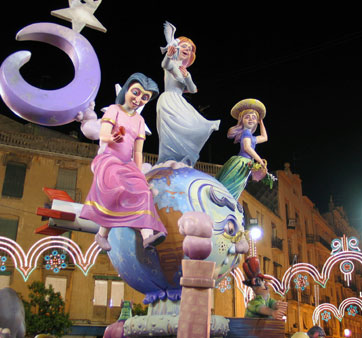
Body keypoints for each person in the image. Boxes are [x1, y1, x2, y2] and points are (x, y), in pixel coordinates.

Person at [80, 73, 167, 251]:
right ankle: (102, 234)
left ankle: (147, 238)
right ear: (127, 89)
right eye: (136, 92)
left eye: (144, 97)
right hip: (108, 159)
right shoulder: (114, 110)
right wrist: (112, 137)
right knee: (118, 190)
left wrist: (139, 175)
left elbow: (137, 151)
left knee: (143, 192)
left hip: (127, 164)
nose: (138, 99)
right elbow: (103, 134)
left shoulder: (140, 121)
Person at [156, 33, 220, 166]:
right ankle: (167, 158)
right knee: (169, 130)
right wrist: (168, 55)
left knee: (190, 126)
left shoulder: (185, 71)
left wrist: (187, 77)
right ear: (176, 48)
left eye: (190, 49)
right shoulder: (172, 63)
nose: (187, 49)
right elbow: (165, 64)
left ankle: (182, 157)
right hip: (168, 99)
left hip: (179, 101)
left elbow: (193, 89)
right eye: (184, 46)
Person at [216, 98, 268, 200]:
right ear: (241, 120)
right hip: (241, 162)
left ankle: (227, 200)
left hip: (246, 164)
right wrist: (259, 160)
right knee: (233, 183)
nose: (251, 119)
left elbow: (264, 137)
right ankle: (223, 198)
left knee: (237, 185)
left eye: (254, 118)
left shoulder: (252, 137)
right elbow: (247, 148)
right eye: (247, 117)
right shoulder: (246, 133)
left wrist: (261, 122)